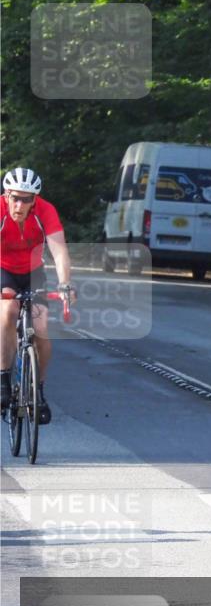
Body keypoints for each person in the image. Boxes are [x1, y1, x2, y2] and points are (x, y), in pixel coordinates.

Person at [1, 167, 75, 424]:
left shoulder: (45, 211)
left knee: (41, 329)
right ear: (6, 195)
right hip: (3, 270)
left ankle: (38, 392)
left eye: (27, 199)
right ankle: (3, 380)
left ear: (35, 199)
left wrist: (65, 284)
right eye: (15, 198)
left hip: (34, 272)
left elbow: (59, 251)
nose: (19, 205)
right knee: (8, 312)